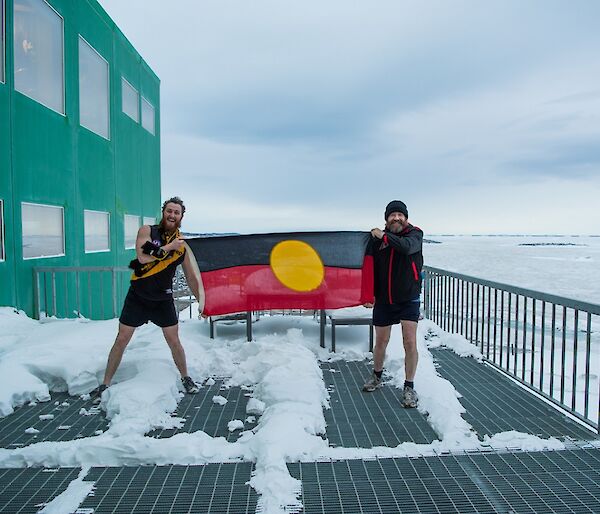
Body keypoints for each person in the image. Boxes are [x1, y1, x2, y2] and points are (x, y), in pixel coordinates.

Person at [90, 197, 203, 402]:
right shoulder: (148, 231)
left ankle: (186, 378)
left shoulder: (182, 246)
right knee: (122, 339)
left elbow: (191, 277)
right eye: (169, 211)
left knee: (174, 341)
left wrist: (201, 302)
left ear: (181, 217)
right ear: (163, 212)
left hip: (162, 299)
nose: (172, 215)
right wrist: (169, 248)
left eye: (176, 213)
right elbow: (143, 256)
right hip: (138, 296)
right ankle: (105, 383)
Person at [362, 200, 423, 408]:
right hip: (384, 299)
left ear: (405, 217)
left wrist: (384, 235)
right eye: (392, 215)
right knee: (381, 341)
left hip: (408, 298)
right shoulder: (376, 241)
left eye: (400, 214)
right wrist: (367, 294)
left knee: (410, 342)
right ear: (386, 218)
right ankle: (377, 377)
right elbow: (368, 266)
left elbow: (406, 248)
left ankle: (409, 386)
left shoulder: (415, 234)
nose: (396, 218)